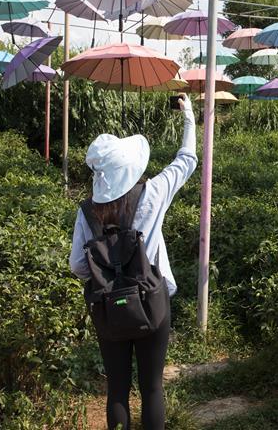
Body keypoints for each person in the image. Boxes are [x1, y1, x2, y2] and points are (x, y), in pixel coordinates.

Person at [70, 93, 197, 430]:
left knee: (117, 390)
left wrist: (108, 279)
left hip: (108, 309)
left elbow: (78, 267)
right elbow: (187, 158)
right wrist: (188, 115)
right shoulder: (153, 193)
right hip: (152, 303)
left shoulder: (87, 211)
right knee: (152, 387)